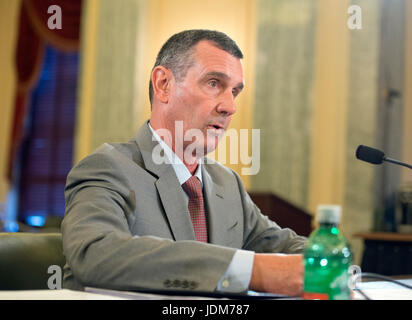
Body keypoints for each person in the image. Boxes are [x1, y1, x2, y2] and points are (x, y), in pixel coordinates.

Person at [61, 29, 306, 296]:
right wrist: (251, 271)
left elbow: (285, 246)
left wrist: (331, 264)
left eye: (234, 91)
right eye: (214, 83)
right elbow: (94, 255)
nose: (230, 106)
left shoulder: (227, 183)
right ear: (163, 84)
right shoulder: (106, 168)